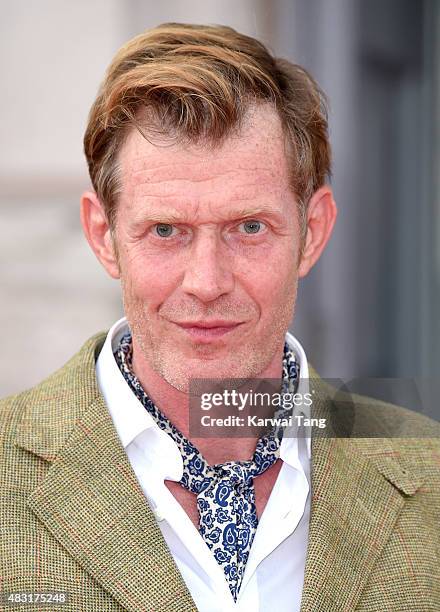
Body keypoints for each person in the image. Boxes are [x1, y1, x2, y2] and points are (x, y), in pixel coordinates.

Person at [1, 23, 439, 612]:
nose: (206, 283)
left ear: (312, 233)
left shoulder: (428, 467)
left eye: (249, 227)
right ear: (104, 236)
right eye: (165, 231)